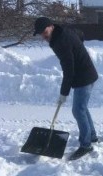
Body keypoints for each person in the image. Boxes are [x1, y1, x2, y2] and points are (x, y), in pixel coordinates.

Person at [33, 17, 99, 159]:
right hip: (86, 73)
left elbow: (68, 69)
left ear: (51, 26)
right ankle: (92, 135)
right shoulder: (62, 31)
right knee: (82, 108)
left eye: (44, 32)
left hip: (84, 77)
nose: (43, 36)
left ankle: (86, 145)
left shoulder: (60, 42)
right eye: (41, 34)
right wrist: (77, 48)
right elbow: (79, 33)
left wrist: (64, 93)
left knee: (78, 110)